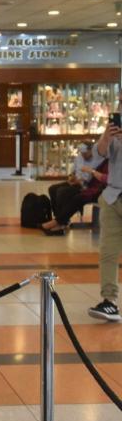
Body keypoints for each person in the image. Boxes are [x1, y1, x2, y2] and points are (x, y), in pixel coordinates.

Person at [88, 112, 122, 322]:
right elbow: (97, 155)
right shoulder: (115, 130)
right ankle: (109, 301)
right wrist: (106, 138)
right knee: (108, 252)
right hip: (113, 197)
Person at [41, 159, 108, 235]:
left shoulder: (107, 160)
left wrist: (90, 173)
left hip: (100, 189)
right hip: (86, 184)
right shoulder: (106, 160)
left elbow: (106, 179)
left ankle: (59, 222)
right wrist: (74, 178)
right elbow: (75, 172)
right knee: (53, 189)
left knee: (71, 195)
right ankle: (59, 220)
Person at [48, 142, 97, 221]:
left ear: (91, 150)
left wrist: (80, 181)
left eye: (85, 154)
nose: (83, 156)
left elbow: (92, 178)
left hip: (85, 186)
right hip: (75, 182)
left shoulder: (96, 160)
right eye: (82, 154)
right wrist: (71, 178)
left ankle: (63, 219)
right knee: (52, 189)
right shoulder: (79, 158)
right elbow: (72, 172)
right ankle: (58, 216)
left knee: (62, 192)